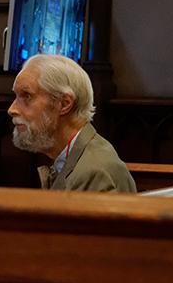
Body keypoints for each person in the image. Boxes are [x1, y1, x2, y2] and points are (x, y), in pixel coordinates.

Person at [7, 54, 136, 193]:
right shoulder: (72, 158)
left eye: (27, 96)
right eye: (16, 96)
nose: (12, 109)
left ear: (64, 104)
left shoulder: (96, 173)